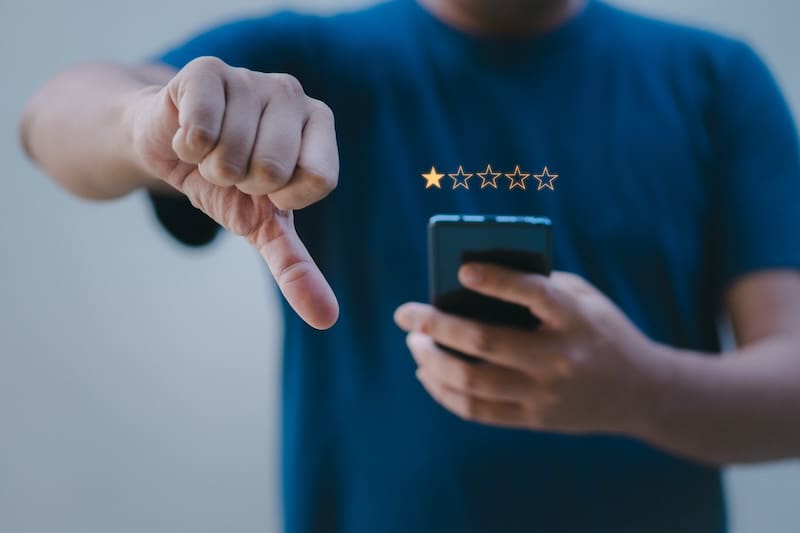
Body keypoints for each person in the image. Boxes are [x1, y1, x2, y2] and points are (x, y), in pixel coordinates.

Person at [18, 0, 800, 531]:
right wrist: (145, 120)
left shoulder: (714, 80)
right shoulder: (317, 58)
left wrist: (642, 391)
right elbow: (50, 118)